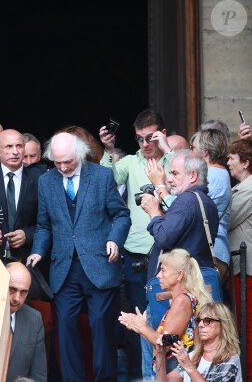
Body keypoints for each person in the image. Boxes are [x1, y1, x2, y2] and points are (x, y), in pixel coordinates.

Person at [27, 132, 131, 381]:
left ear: (80, 154)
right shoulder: (46, 181)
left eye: (68, 162)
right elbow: (43, 225)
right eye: (58, 162)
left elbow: (121, 215)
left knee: (101, 330)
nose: (63, 167)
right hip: (64, 268)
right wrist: (38, 251)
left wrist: (114, 240)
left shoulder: (101, 175)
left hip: (99, 264)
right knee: (64, 331)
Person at [99, 108, 175, 380]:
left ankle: (166, 374)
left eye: (149, 138)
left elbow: (189, 181)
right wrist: (108, 150)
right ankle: (136, 375)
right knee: (136, 315)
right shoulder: (131, 162)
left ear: (161, 134)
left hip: (168, 252)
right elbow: (104, 182)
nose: (144, 144)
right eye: (139, 139)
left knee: (167, 314)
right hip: (134, 252)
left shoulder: (173, 160)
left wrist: (167, 151)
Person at [119, 249, 212, 378]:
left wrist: (142, 327)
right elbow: (163, 341)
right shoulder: (181, 299)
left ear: (179, 275)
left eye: (163, 271)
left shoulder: (182, 300)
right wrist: (140, 327)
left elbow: (165, 345)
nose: (158, 276)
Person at [140, 151, 218, 277]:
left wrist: (154, 211)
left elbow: (163, 238)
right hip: (194, 280)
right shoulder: (208, 202)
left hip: (178, 285)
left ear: (193, 176)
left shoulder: (185, 201)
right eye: (170, 173)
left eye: (175, 174)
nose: (169, 180)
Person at [154, 302, 242, 381]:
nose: (200, 325)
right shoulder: (192, 357)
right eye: (199, 321)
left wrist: (189, 366)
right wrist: (160, 354)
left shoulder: (230, 359)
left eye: (207, 321)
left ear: (223, 325)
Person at [0, 130, 41, 263]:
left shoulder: (39, 179)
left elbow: (48, 222)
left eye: (19, 146)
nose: (15, 152)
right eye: (8, 146)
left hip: (27, 258)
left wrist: (27, 234)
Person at [190, 129, 231, 281]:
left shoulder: (212, 175)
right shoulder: (221, 173)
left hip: (211, 252)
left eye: (193, 148)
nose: (190, 153)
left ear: (205, 152)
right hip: (215, 249)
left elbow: (191, 207)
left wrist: (163, 192)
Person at [226, 139, 252, 380]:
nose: (228, 163)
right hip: (242, 268)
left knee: (247, 326)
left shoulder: (248, 188)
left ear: (245, 162)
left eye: (232, 159)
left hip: (248, 270)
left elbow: (227, 219)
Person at [5, 262, 46, 382]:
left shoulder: (34, 320)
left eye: (23, 292)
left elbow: (39, 376)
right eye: (12, 289)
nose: (17, 298)